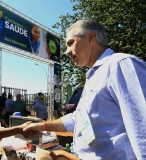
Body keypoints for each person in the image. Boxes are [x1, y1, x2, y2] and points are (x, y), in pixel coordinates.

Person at [24, 19, 146, 159]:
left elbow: (142, 128)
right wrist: (42, 126)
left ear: (91, 38)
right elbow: (79, 118)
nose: (67, 52)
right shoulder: (93, 76)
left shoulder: (120, 65)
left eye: (71, 43)